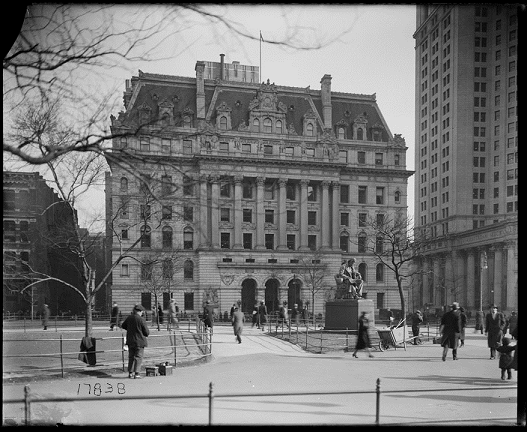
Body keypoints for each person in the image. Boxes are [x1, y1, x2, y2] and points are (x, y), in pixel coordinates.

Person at [121, 304, 150, 379]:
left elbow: (123, 325)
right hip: (139, 341)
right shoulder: (141, 319)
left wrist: (130, 329)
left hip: (130, 340)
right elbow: (146, 332)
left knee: (131, 357)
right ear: (140, 311)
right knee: (138, 357)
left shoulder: (129, 318)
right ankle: (137, 373)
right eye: (142, 312)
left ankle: (130, 373)